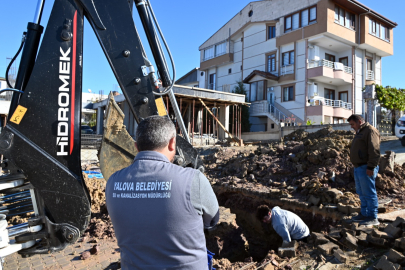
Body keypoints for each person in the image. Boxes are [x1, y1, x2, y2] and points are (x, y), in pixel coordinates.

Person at [106, 115, 219, 269]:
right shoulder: (194, 179)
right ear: (172, 143)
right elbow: (212, 221)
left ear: (136, 147)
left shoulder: (113, 182)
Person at [347, 114, 380, 226]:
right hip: (358, 167)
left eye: (352, 124)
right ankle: (364, 214)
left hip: (366, 167)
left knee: (369, 193)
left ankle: (372, 217)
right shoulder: (360, 131)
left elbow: (374, 150)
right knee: (361, 192)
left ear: (359, 121)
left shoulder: (370, 131)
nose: (351, 126)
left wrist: (371, 167)